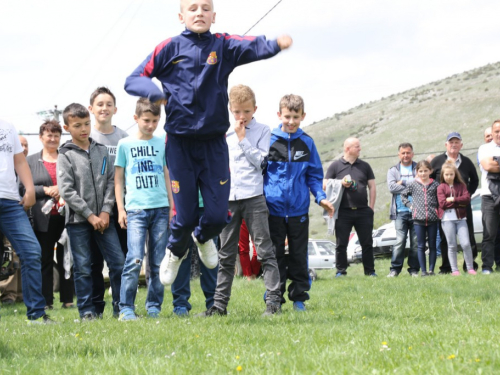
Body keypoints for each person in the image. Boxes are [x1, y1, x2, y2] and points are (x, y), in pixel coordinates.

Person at [124, 0, 293, 285]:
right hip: (180, 145)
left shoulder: (223, 45)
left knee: (217, 216)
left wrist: (274, 44)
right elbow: (133, 79)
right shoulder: (168, 48)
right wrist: (153, 92)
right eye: (193, 8)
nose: (199, 12)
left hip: (214, 145)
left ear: (214, 15)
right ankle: (176, 251)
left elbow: (250, 46)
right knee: (186, 215)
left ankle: (203, 239)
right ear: (181, 16)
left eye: (205, 7)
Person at [198, 85, 283, 317]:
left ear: (254, 108)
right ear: (230, 110)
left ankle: (273, 302)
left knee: (265, 250)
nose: (242, 117)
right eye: (237, 112)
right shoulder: (222, 133)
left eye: (246, 111)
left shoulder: (263, 131)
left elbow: (261, 163)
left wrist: (243, 139)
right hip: (228, 199)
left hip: (254, 197)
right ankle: (218, 306)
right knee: (226, 254)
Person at [265, 94, 333, 312]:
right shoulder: (268, 140)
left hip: (298, 210)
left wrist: (320, 198)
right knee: (274, 255)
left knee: (298, 254)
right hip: (272, 209)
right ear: (279, 115)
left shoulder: (307, 143)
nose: (291, 121)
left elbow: (314, 176)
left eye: (295, 117)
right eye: (287, 116)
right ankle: (273, 297)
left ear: (303, 116)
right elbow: (259, 173)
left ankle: (299, 298)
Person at [57, 103, 125, 319]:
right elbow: (67, 190)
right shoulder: (65, 155)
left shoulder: (102, 150)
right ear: (67, 127)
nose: (84, 129)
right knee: (84, 267)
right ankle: (87, 311)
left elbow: (110, 181)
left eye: (86, 123)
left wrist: (105, 211)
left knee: (118, 263)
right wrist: (90, 215)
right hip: (79, 222)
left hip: (105, 220)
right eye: (77, 125)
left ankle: (121, 308)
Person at [115, 98, 172, 321]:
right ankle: (126, 307)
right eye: (146, 120)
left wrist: (171, 205)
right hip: (136, 210)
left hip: (160, 208)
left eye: (155, 121)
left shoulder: (162, 143)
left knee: (158, 261)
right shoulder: (125, 145)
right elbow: (118, 179)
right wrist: (121, 209)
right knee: (135, 258)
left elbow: (167, 173)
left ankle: (154, 306)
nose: (151, 125)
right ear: (136, 118)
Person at [0, 119, 53, 323]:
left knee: (32, 251)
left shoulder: (8, 127)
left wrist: (30, 188)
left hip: (11, 202)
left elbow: (19, 161)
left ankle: (37, 314)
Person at [21, 121, 74, 309]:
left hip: (67, 217)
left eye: (56, 135)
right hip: (42, 220)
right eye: (49, 135)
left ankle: (68, 300)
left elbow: (76, 182)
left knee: (68, 259)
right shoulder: (30, 161)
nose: (52, 139)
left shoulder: (68, 158)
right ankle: (47, 302)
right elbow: (23, 187)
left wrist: (63, 190)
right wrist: (46, 190)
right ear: (41, 137)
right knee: (44, 260)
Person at [88, 87, 128, 317]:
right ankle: (95, 308)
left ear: (115, 108)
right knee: (94, 262)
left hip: (120, 208)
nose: (104, 108)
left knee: (120, 260)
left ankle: (120, 307)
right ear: (91, 109)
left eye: (108, 104)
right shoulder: (87, 136)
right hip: (95, 209)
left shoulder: (123, 137)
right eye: (99, 104)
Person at [325, 138, 377, 277]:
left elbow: (372, 186)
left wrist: (371, 208)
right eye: (357, 146)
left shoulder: (365, 166)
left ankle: (370, 271)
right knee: (341, 244)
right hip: (343, 211)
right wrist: (340, 182)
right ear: (348, 148)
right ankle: (341, 271)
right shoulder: (335, 166)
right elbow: (324, 184)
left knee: (367, 243)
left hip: (363, 211)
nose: (360, 149)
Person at [430, 132, 479, 273]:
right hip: (444, 210)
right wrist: (439, 201)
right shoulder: (437, 161)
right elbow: (431, 180)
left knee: (468, 237)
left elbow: (475, 180)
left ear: (461, 145)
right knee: (446, 240)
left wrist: (466, 195)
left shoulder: (467, 161)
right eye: (451, 142)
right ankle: (447, 268)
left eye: (456, 142)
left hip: (464, 208)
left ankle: (469, 266)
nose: (454, 144)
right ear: (446, 144)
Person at [170, 191, 218, 317]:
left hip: (208, 205)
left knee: (209, 256)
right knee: (181, 255)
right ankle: (180, 304)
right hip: (182, 205)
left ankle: (214, 303)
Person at [0, 135, 28, 305]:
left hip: (19, 215)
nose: (23, 148)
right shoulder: (6, 165)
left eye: (26, 145)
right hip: (8, 209)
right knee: (6, 255)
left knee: (17, 254)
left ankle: (16, 294)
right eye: (21, 145)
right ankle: (7, 294)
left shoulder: (27, 166)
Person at [437, 162, 476, 276]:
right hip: (447, 220)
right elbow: (442, 204)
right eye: (446, 174)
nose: (449, 177)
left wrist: (453, 199)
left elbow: (467, 199)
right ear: (443, 175)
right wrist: (459, 202)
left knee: (466, 244)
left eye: (451, 174)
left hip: (461, 219)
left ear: (455, 174)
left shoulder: (462, 185)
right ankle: (455, 270)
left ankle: (470, 268)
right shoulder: (441, 187)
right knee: (452, 245)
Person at [401, 160, 440, 276]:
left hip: (433, 218)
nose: (423, 173)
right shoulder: (413, 184)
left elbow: (440, 198)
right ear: (417, 172)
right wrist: (410, 206)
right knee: (421, 245)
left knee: (433, 245)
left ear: (430, 171)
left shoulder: (435, 184)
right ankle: (423, 271)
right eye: (420, 171)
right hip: (418, 219)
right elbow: (403, 195)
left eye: (425, 171)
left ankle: (431, 270)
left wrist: (438, 210)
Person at [386, 143, 419, 277]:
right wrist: (411, 185)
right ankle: (395, 269)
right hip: (400, 212)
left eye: (408, 152)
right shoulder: (393, 170)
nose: (406, 155)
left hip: (418, 211)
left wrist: (402, 183)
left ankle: (414, 269)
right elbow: (391, 188)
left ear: (412, 154)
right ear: (399, 155)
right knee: (400, 241)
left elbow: (422, 185)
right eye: (403, 153)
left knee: (416, 242)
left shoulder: (419, 168)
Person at [478, 120, 500, 274]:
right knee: (489, 233)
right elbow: (487, 165)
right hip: (489, 196)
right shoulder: (484, 148)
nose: (499, 134)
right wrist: (492, 163)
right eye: (496, 131)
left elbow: (493, 165)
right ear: (492, 133)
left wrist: (496, 163)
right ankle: (487, 267)